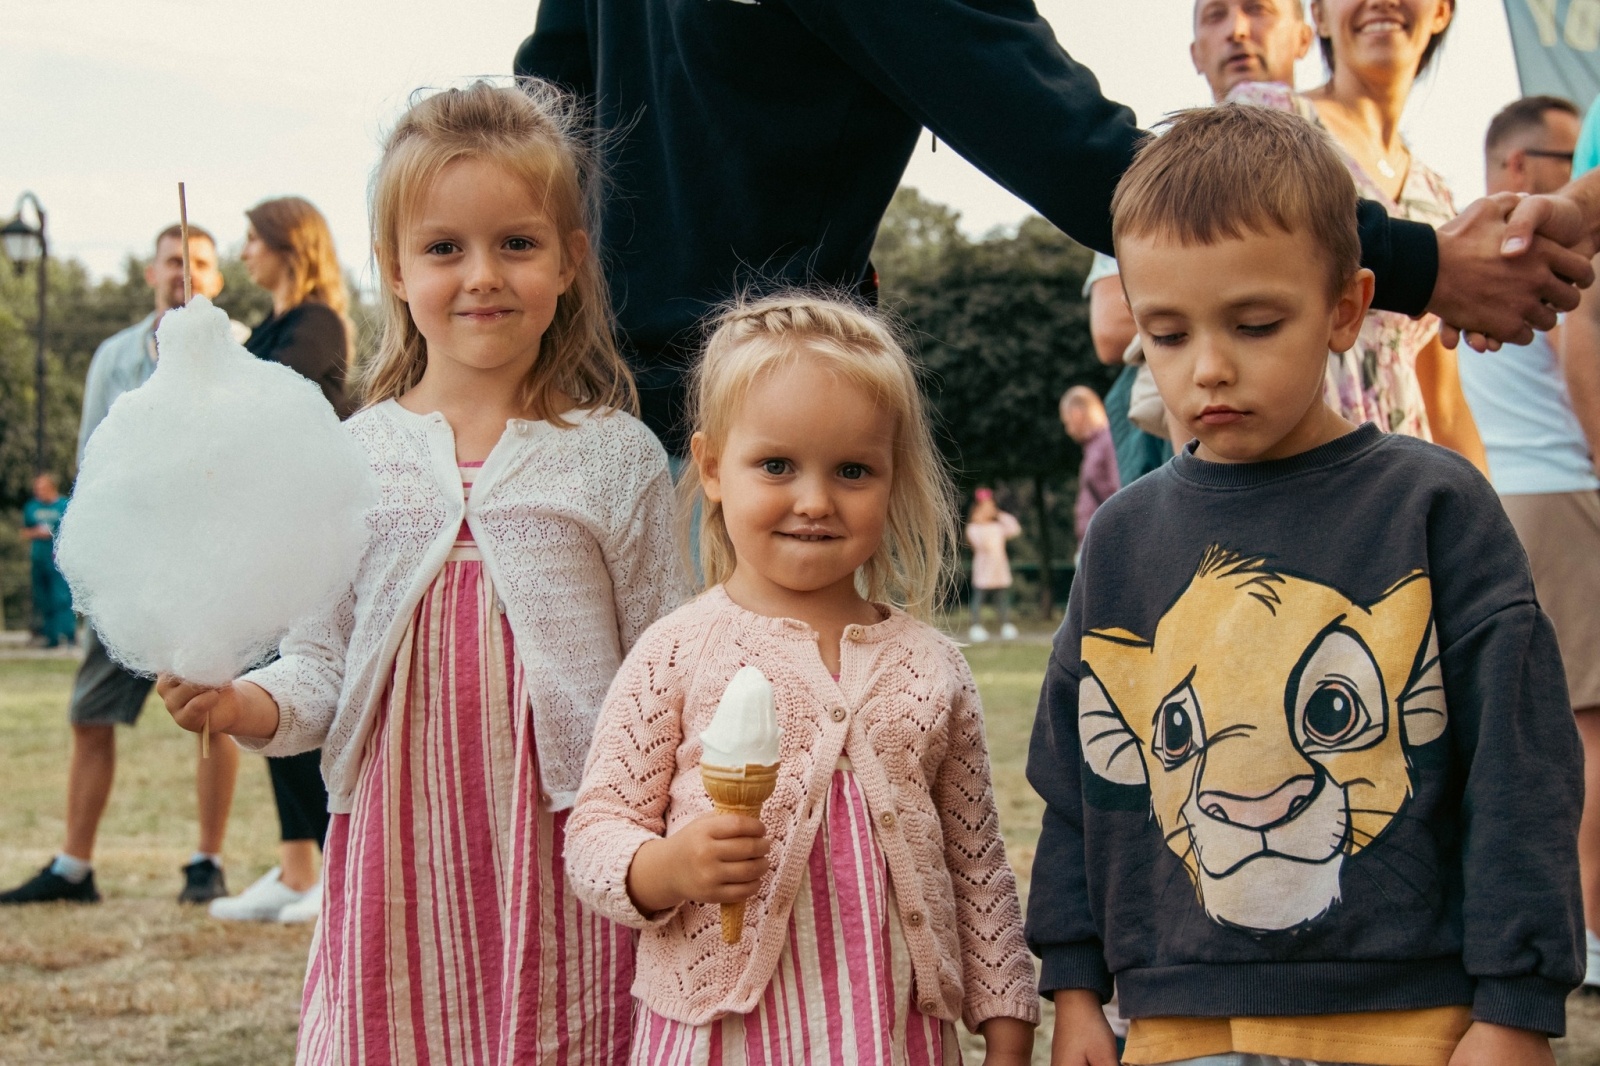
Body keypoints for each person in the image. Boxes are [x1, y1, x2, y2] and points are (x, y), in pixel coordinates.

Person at [1028, 104, 1583, 1066]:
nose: (1207, 368)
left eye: (1254, 323)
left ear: (1345, 306)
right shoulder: (1123, 539)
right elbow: (1077, 780)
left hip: (1411, 1023)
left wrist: (1515, 1006)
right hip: (1174, 1027)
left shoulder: (1435, 507)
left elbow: (1520, 774)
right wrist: (1075, 986)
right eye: (1166, 333)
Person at [158, 82, 684, 1065]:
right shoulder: (353, 459)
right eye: (444, 247)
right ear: (396, 269)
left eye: (517, 243)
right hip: (403, 854)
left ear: (571, 259)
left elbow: (669, 673)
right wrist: (239, 702)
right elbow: (319, 669)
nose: (482, 274)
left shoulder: (615, 458)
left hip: (569, 844)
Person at [514, 0, 1595, 456]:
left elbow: (546, 97)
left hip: (581, 406)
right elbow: (1078, 153)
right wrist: (1418, 260)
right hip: (721, 431)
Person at [567, 295, 1039, 1064]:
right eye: (777, 465)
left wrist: (1008, 1029)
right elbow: (595, 832)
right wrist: (668, 866)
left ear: (894, 480)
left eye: (853, 470)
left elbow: (977, 866)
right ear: (715, 468)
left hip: (895, 1036)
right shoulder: (677, 650)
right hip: (724, 1033)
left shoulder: (931, 667)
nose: (814, 501)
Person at [0, 224, 242, 908]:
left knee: (210, 712)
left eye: (198, 262)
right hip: (131, 572)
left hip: (203, 569)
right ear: (150, 271)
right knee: (89, 712)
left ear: (215, 279)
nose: (184, 273)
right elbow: (91, 461)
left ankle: (207, 862)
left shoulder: (240, 353)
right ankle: (74, 868)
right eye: (173, 261)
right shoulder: (113, 355)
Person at [1461, 94, 1600, 991]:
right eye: (1564, 152)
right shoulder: (1527, 245)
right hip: (1564, 490)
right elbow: (1581, 353)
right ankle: (1587, 928)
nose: (1575, 167)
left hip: (1513, 491)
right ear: (1519, 166)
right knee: (1589, 729)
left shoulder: (1471, 248)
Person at [1229, 0, 1486, 471]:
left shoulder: (1437, 195)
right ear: (1320, 16)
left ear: (1442, 12)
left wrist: (1484, 527)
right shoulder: (1266, 118)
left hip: (1405, 484)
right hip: (1292, 477)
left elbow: (1444, 403)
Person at [1088, 0, 1315, 484]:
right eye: (1215, 15)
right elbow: (1109, 326)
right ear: (1193, 53)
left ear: (1304, 35)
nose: (1236, 30)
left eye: (1257, 324)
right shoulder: (1163, 181)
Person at [206, 196, 353, 925]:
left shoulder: (316, 323)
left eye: (251, 240)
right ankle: (298, 866)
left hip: (309, 530)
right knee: (270, 678)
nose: (242, 254)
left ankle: (330, 862)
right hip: (269, 529)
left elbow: (279, 401)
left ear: (287, 245)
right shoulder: (272, 325)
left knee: (297, 689)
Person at [1060, 386, 1119, 550]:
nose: (1067, 429)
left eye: (1067, 421)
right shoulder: (1093, 446)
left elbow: (1118, 489)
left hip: (1104, 541)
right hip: (1094, 539)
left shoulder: (1107, 441)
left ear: (1078, 413)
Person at [22, 472, 74, 649]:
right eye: (36, 488)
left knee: (61, 598)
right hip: (39, 558)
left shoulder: (64, 505)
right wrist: (35, 533)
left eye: (41, 488)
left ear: (51, 487)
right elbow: (25, 531)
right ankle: (51, 637)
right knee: (44, 599)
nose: (38, 491)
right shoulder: (31, 507)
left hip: (58, 560)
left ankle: (68, 635)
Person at [966, 487, 1022, 643]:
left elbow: (1015, 528)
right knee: (979, 598)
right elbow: (981, 545)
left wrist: (998, 514)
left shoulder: (998, 527)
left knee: (1002, 599)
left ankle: (1005, 624)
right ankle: (976, 626)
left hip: (999, 570)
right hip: (984, 570)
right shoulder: (974, 528)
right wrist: (980, 518)